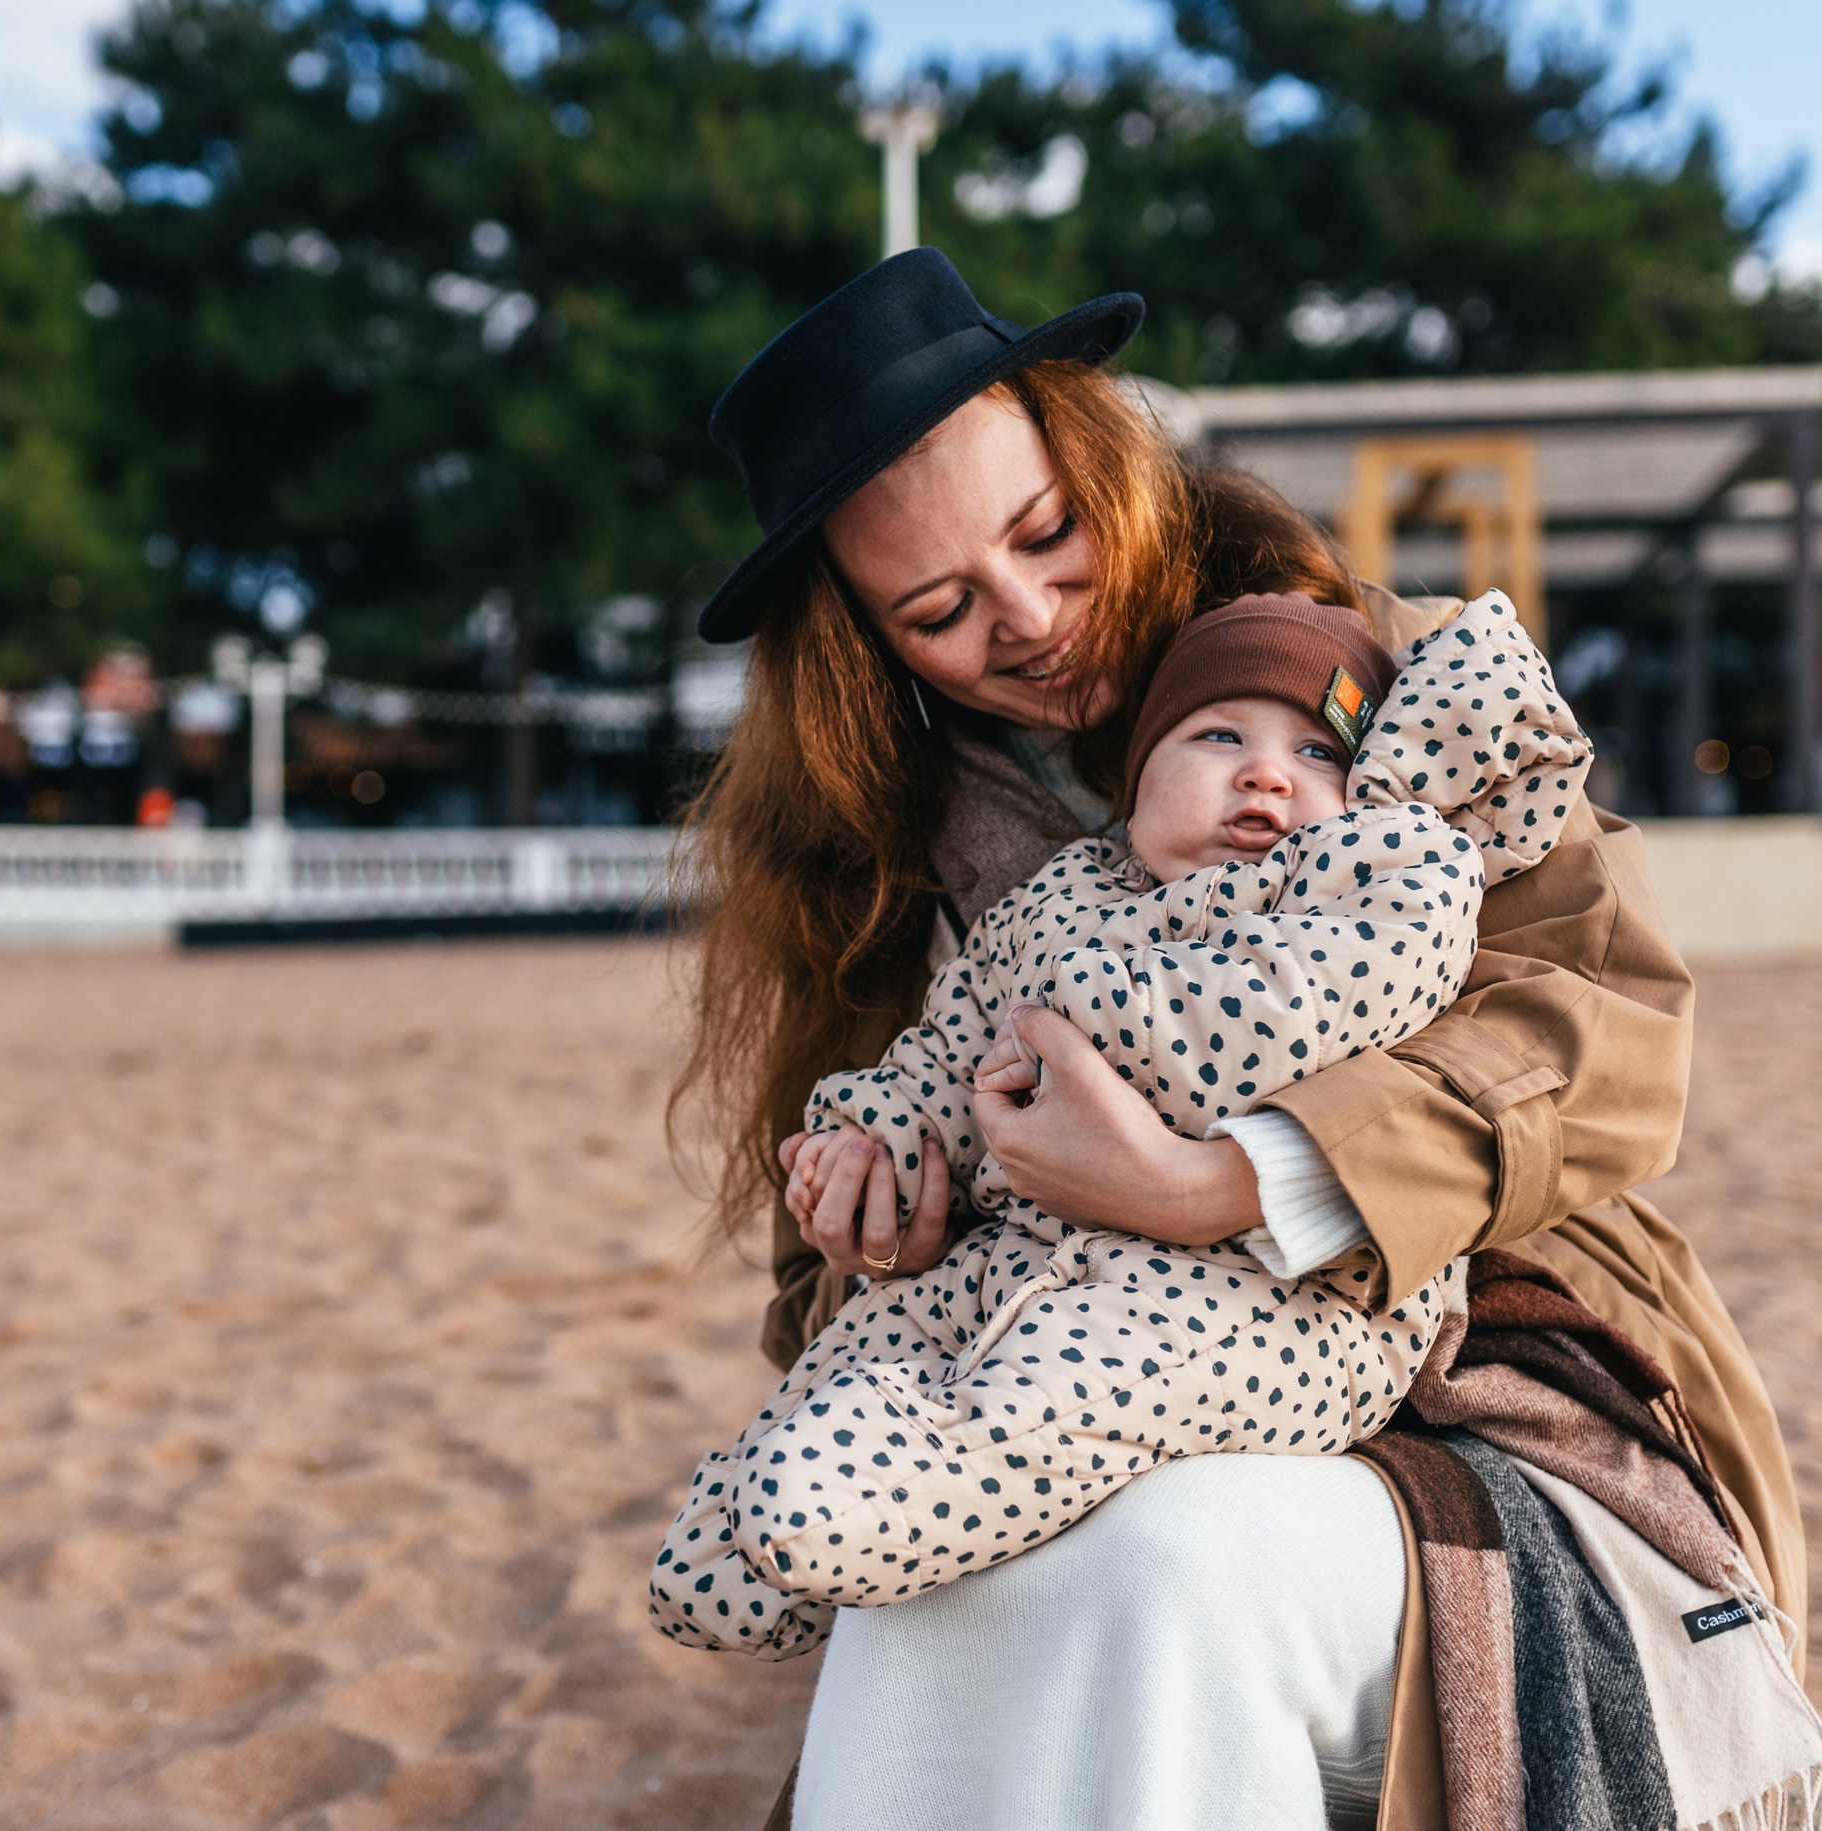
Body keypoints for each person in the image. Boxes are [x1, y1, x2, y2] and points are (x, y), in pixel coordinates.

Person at [669, 248, 1802, 1828]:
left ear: (1099, 457)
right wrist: (881, 1215)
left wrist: (1229, 1182)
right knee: (906, 1605)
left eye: (1046, 531)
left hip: (1475, 1342)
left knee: (1167, 1556)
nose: (1031, 614)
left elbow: (1607, 1035)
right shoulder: (883, 851)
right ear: (858, 648)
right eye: (936, 609)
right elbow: (831, 1245)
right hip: (1036, 1357)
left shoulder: (1383, 681)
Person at [654, 589, 1584, 1655]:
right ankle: (738, 1548)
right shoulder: (1063, 896)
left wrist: (1079, 1028)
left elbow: (1290, 1011)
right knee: (885, 1330)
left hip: (1280, 1294)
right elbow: (946, 1040)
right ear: (1135, 783)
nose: (1266, 773)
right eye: (1217, 735)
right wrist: (873, 1139)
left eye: (1319, 754)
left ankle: (868, 1500)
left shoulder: (1381, 874)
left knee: (1077, 1379)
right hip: (1037, 1242)